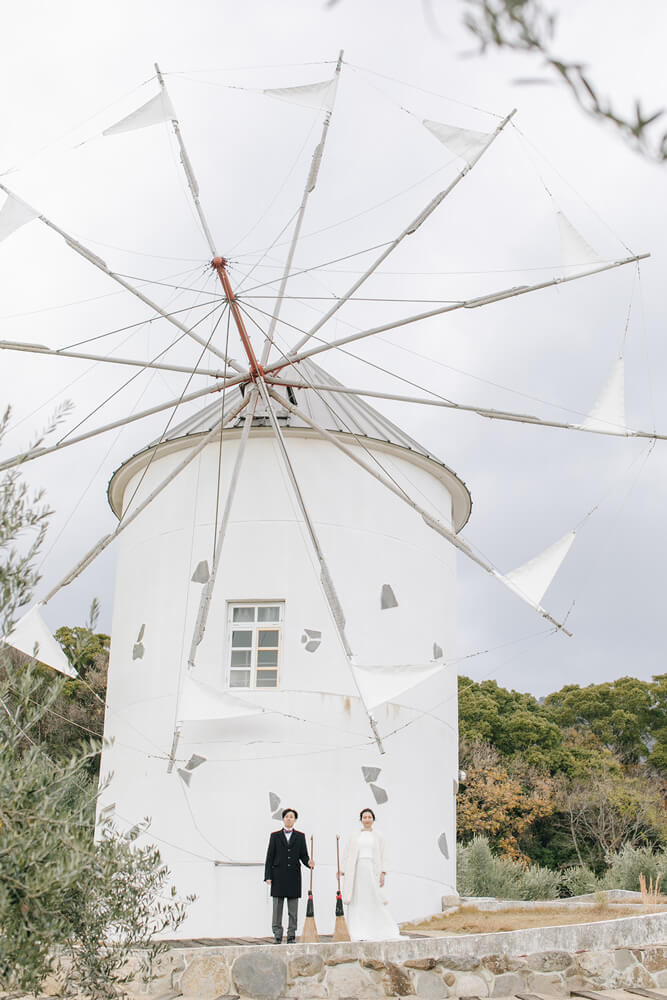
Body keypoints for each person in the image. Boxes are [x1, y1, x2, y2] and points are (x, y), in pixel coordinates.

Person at [340, 807, 401, 941]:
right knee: (358, 898)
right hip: (357, 870)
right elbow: (348, 853)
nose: (367, 820)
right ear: (361, 819)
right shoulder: (354, 835)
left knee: (373, 897)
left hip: (372, 869)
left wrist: (383, 872)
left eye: (369, 817)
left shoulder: (378, 836)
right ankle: (357, 930)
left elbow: (384, 854)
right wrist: (343, 869)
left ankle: (377, 928)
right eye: (364, 817)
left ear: (373, 819)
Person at [264, 807, 313, 943]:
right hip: (278, 876)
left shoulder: (300, 836)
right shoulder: (274, 836)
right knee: (277, 908)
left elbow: (303, 856)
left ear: (295, 820)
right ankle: (277, 935)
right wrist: (268, 876)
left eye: (292, 817)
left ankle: (291, 935)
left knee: (293, 909)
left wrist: (309, 862)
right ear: (283, 819)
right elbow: (269, 857)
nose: (289, 819)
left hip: (293, 877)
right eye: (287, 817)